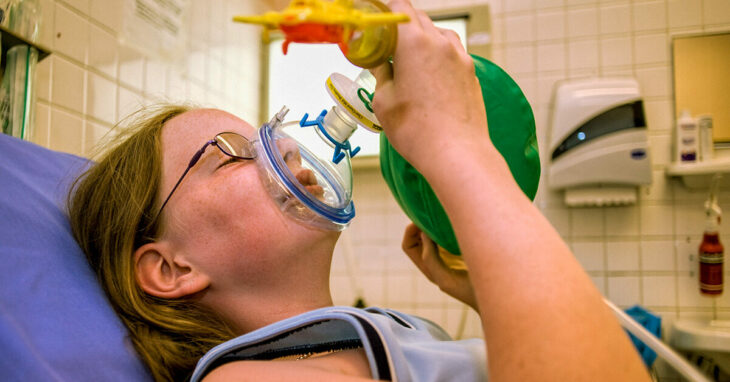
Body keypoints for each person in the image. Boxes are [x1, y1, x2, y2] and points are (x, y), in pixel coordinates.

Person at [68, 1, 651, 381]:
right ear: (171, 268)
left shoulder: (367, 336)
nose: (289, 151)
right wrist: (459, 147)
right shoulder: (246, 379)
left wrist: (483, 297)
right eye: (235, 154)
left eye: (272, 135)